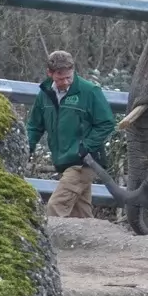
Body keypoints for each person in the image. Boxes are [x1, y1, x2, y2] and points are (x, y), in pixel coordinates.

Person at [27, 50, 116, 218]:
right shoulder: (44, 94)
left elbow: (107, 123)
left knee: (55, 207)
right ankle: (91, 241)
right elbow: (34, 126)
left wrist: (85, 147)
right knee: (80, 213)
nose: (66, 82)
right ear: (50, 73)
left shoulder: (90, 91)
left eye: (69, 77)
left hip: (84, 162)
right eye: (61, 78)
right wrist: (27, 148)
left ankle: (47, 243)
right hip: (63, 161)